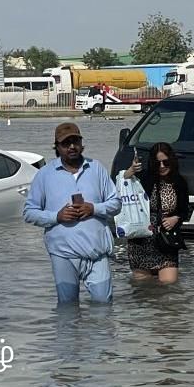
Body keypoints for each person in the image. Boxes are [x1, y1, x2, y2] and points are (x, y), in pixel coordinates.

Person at [23, 122, 121, 304]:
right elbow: (29, 213)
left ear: (81, 144)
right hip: (63, 254)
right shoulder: (45, 174)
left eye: (75, 141)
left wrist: (94, 208)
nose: (72, 147)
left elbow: (116, 203)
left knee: (103, 307)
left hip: (97, 253)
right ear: (57, 147)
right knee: (67, 309)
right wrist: (56, 216)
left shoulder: (96, 168)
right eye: (66, 143)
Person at [122, 142, 189, 284]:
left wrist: (176, 218)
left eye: (166, 162)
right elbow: (123, 185)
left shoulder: (180, 182)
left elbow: (185, 211)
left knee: (169, 286)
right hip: (141, 240)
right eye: (158, 163)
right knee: (143, 290)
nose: (162, 166)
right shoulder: (144, 178)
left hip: (166, 240)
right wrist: (131, 170)